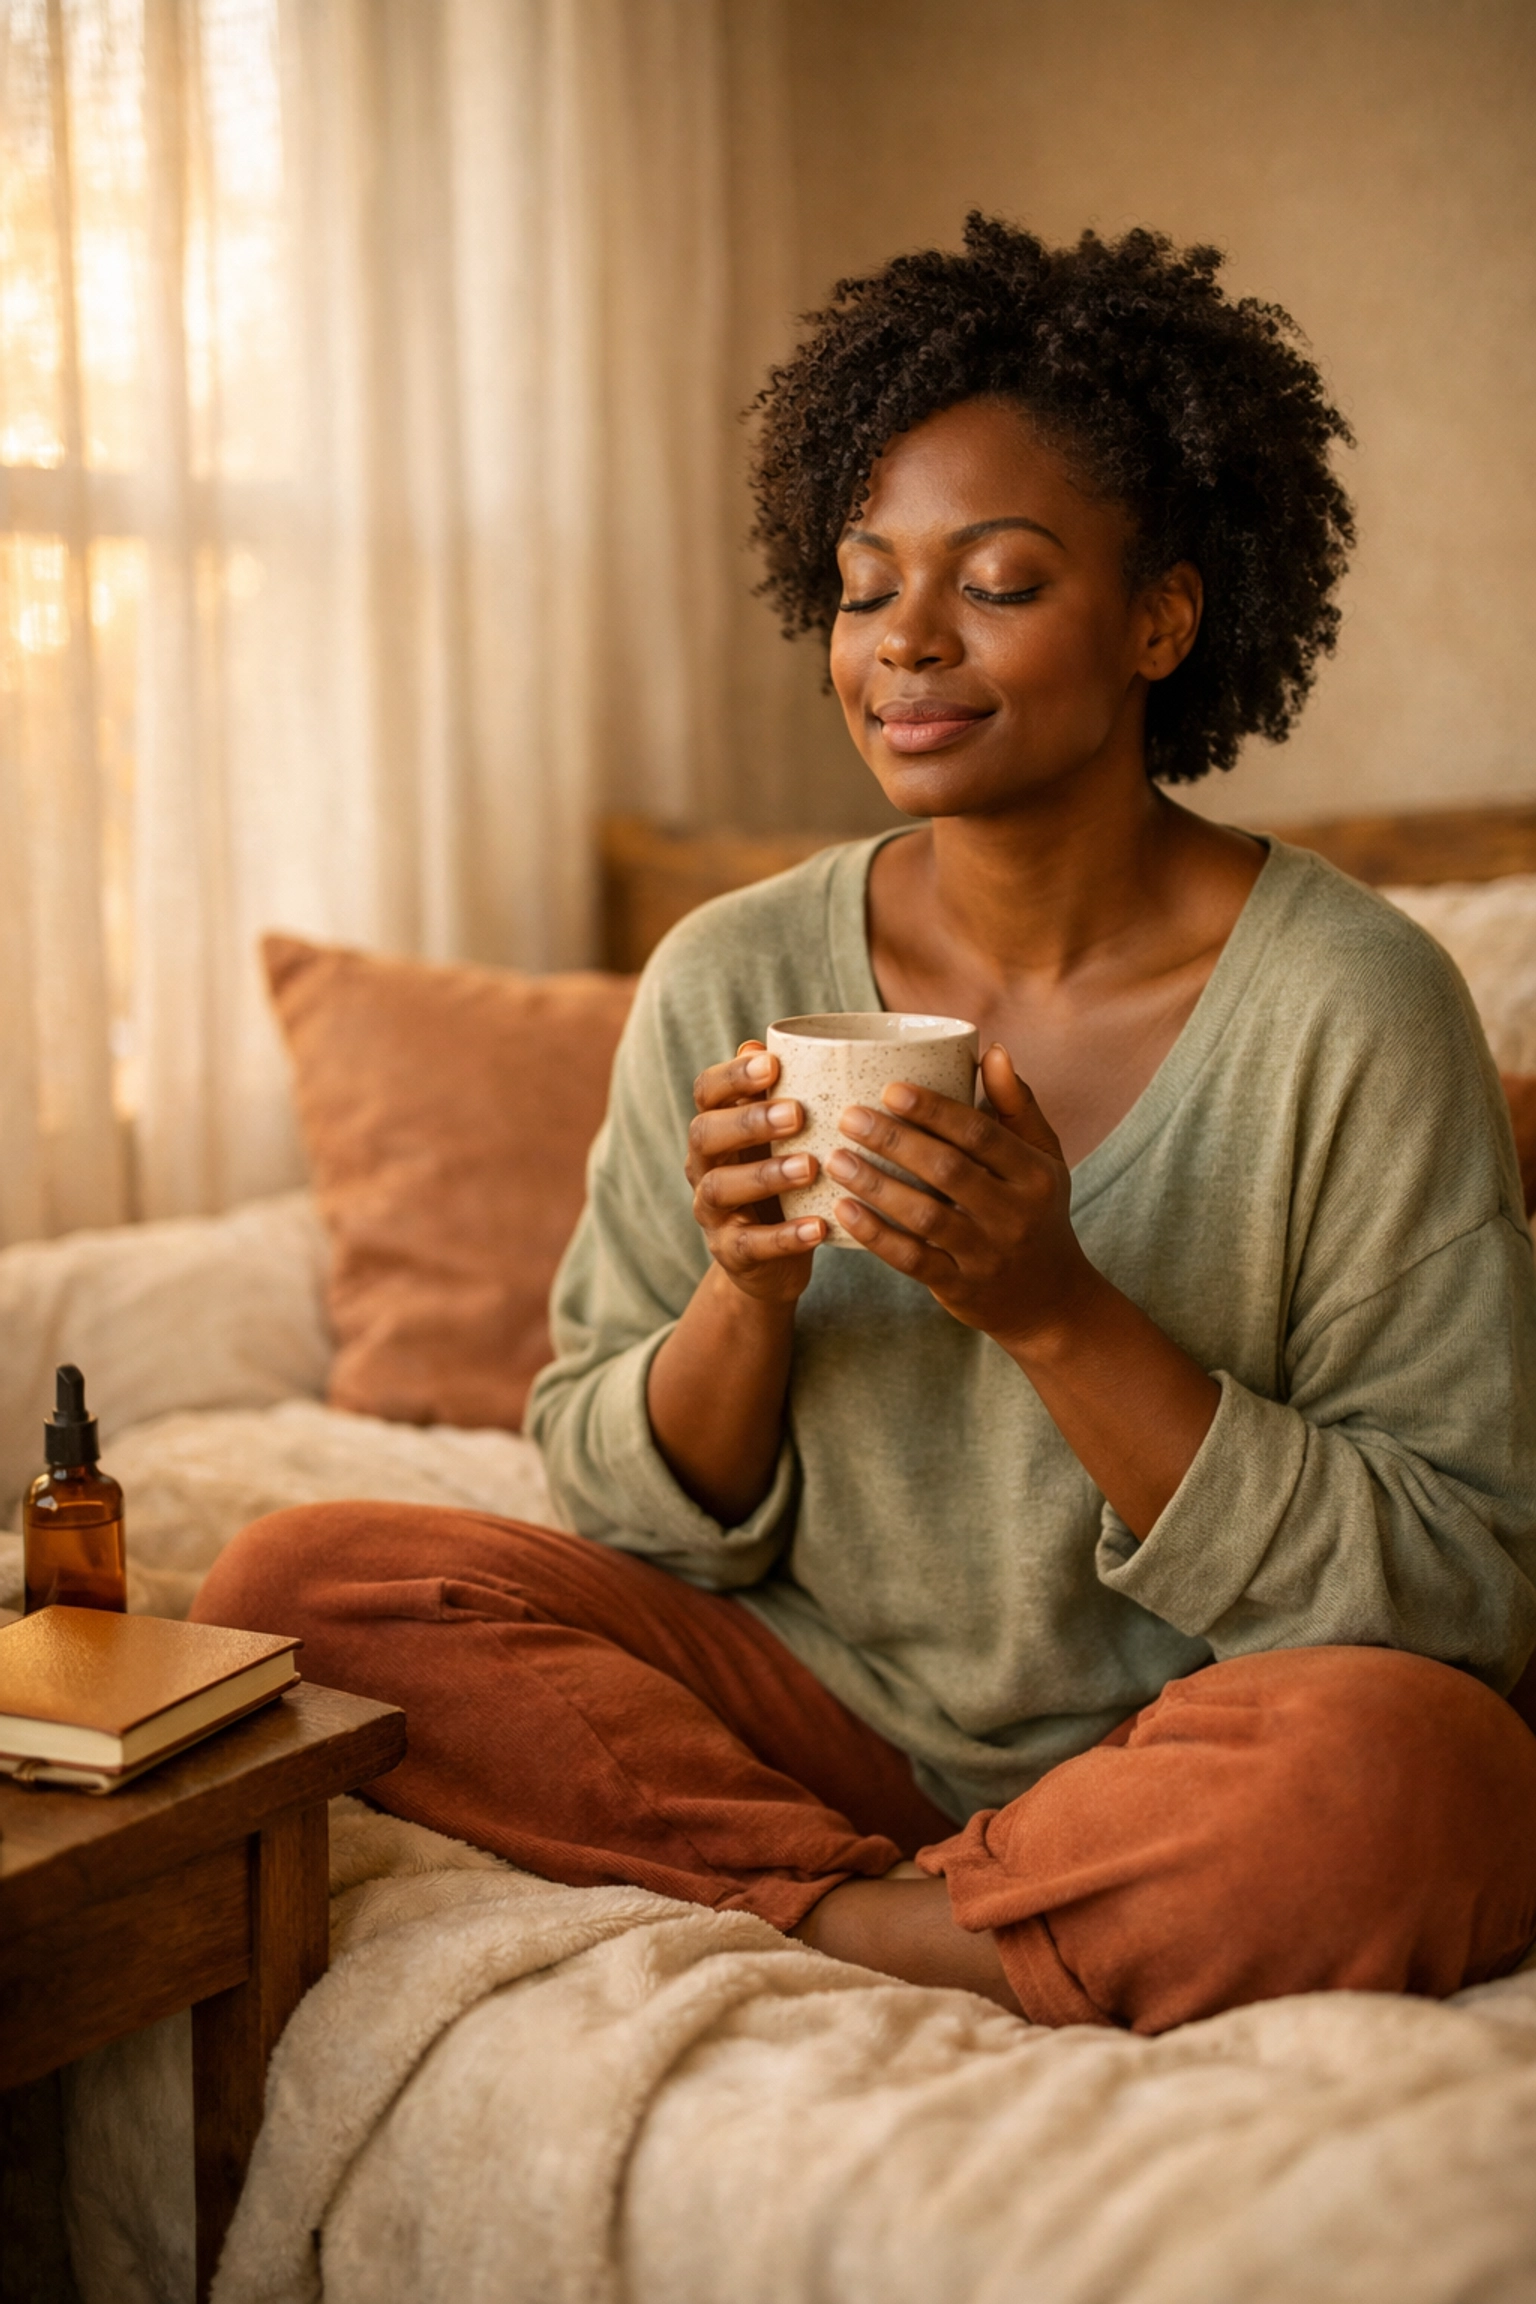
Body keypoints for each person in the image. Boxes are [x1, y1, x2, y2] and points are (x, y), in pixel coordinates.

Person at [196, 218, 1536, 2034]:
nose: (904, 643)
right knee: (299, 1584)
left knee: (1428, 1769)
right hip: (809, 1721)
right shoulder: (733, 967)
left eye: (994, 581)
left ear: (1164, 616)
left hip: (1191, 1733)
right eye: (861, 584)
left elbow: (1457, 1589)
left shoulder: (1356, 1009)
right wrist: (741, 1299)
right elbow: (611, 1491)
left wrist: (1055, 1310)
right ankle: (894, 1913)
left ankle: (897, 1924)